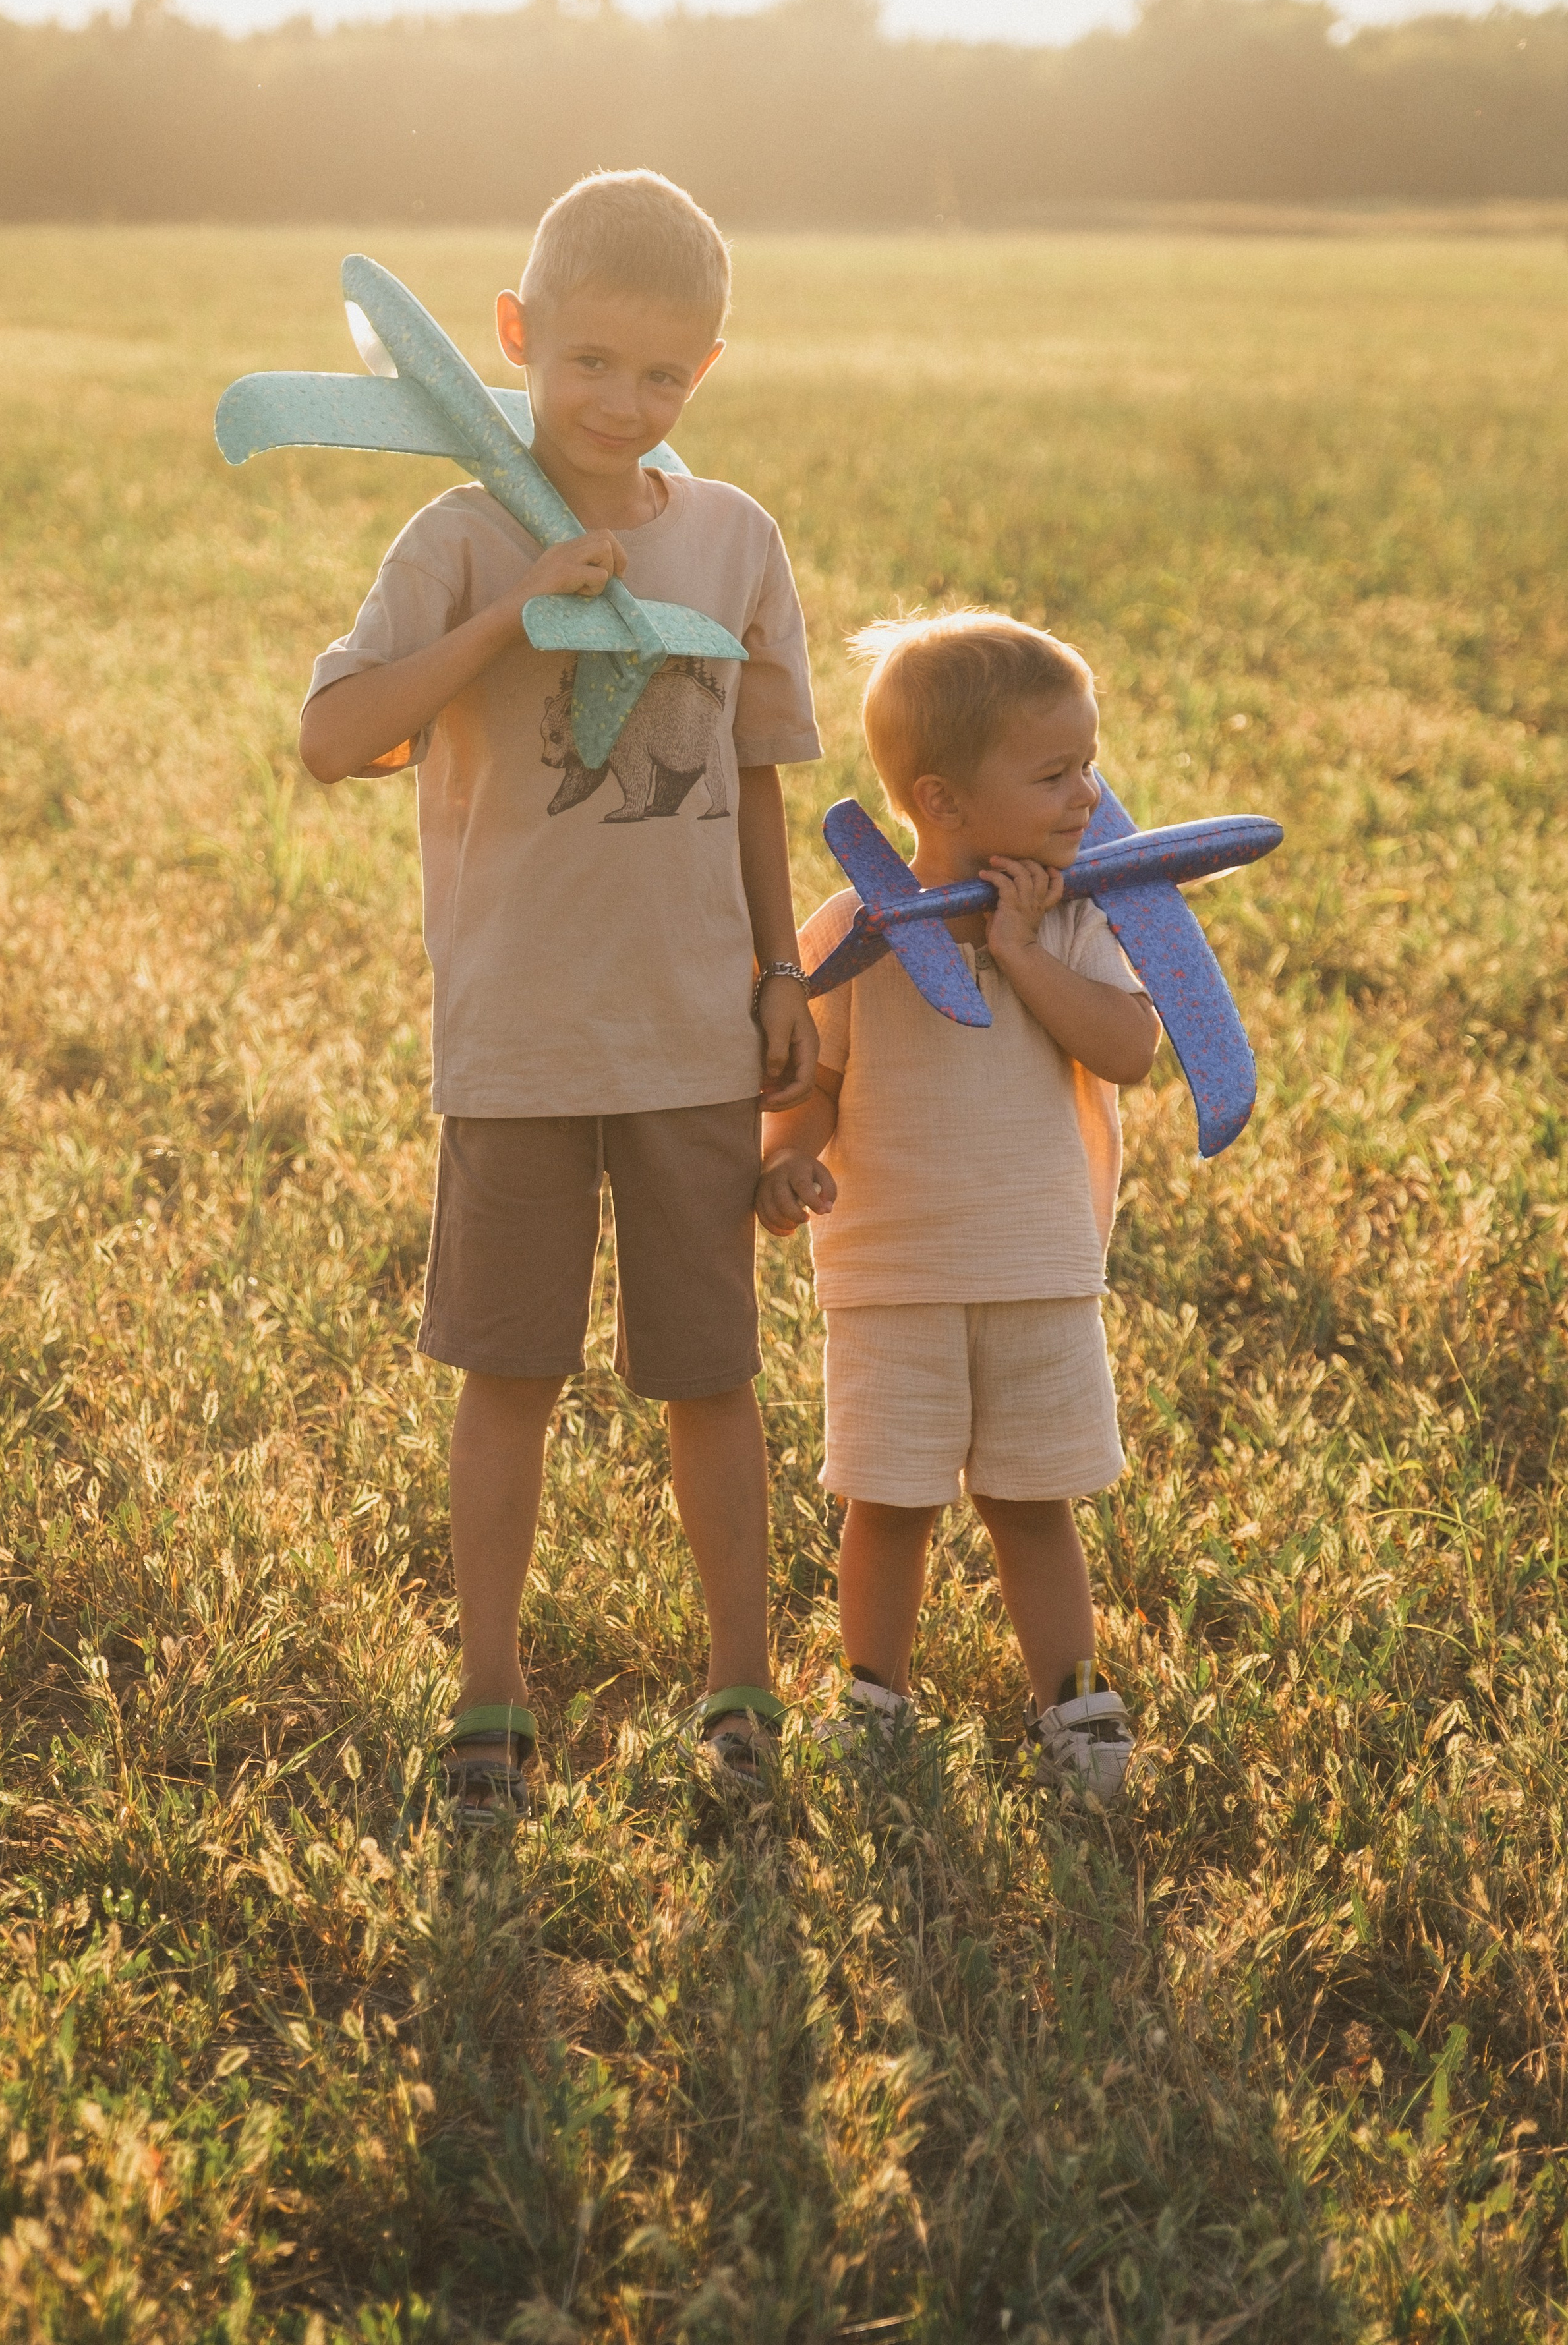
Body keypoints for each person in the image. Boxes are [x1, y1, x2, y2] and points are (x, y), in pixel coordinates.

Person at [300, 171, 822, 1821]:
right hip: (519, 1035)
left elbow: (752, 780)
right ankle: (490, 1705)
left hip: (689, 1036)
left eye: (660, 376)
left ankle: (739, 1691)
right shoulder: (458, 537)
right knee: (506, 1376)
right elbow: (333, 738)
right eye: (588, 360)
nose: (620, 402)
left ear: (706, 375)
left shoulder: (733, 540)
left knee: (709, 1375)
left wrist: (781, 966)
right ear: (516, 336)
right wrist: (513, 613)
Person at [757, 611, 1160, 1803]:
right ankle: (872, 1694)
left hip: (1039, 1264)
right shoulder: (852, 935)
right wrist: (788, 1158)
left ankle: (1073, 1699)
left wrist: (1027, 949)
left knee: (1034, 1502)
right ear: (939, 799)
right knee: (887, 1503)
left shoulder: (1083, 917)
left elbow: (1130, 1048)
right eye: (1054, 773)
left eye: (1087, 762)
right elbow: (816, 1079)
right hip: (891, 1272)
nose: (1089, 793)